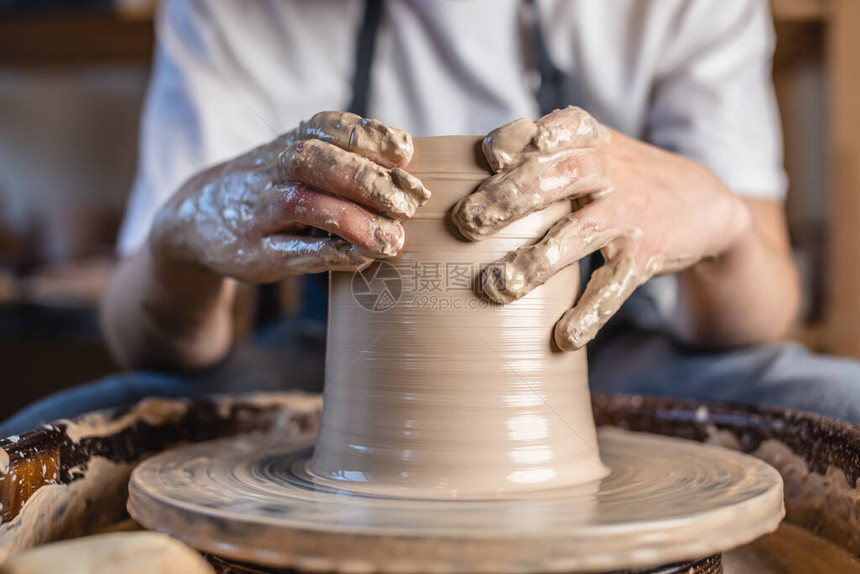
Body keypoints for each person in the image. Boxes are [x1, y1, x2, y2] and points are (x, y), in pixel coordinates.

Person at [4, 0, 860, 436]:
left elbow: (758, 316)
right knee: (59, 434)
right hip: (338, 372)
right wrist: (181, 240)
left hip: (613, 359)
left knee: (836, 407)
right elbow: (148, 341)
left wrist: (720, 222)